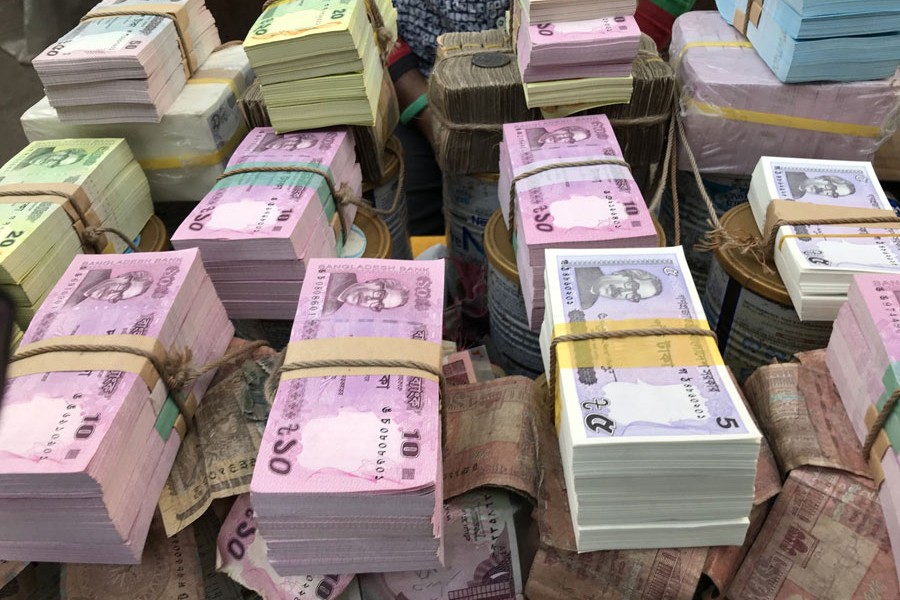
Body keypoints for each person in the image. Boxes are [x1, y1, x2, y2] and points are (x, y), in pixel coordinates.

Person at [388, 1, 510, 235]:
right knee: (411, 221)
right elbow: (374, 23)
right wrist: (429, 117)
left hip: (538, 97)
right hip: (421, 95)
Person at [573, 266, 663, 308]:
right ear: (620, 273)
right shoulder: (583, 267)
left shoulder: (585, 305)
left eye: (634, 296)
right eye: (632, 285)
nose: (623, 292)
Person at [322, 273, 410, 315]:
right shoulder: (341, 273)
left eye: (378, 305)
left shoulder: (330, 310)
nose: (369, 300)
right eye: (380, 295)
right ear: (375, 282)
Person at [64, 270, 154, 306]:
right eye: (123, 288)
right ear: (124, 276)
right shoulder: (97, 271)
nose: (111, 294)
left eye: (118, 297)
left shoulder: (74, 304)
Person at [785, 171, 856, 199]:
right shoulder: (794, 172)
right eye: (831, 187)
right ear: (822, 178)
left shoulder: (797, 196)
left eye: (833, 194)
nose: (824, 191)